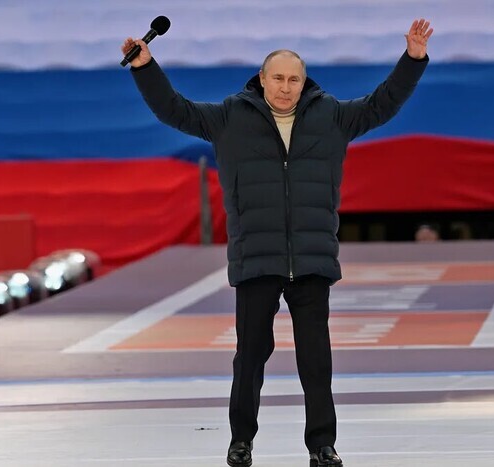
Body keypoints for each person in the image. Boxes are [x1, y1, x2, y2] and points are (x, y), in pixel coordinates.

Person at [123, 18, 433, 467]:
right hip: (256, 258)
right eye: (278, 78)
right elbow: (174, 110)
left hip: (312, 259)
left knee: (316, 360)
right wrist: (145, 68)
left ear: (304, 83)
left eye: (294, 80)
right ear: (262, 79)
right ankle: (241, 441)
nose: (286, 88)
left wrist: (413, 60)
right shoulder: (229, 117)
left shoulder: (332, 116)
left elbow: (383, 103)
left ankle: (322, 445)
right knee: (249, 357)